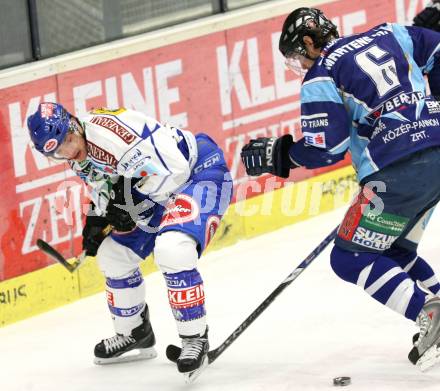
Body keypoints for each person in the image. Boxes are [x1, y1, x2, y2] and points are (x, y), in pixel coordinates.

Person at [241, 7, 440, 371]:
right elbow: (438, 49)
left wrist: (279, 154)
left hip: (395, 170)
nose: (299, 63)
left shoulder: (322, 73)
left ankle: (428, 313)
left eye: (297, 55)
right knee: (393, 249)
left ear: (307, 41)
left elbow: (325, 149)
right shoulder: (390, 33)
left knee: (350, 257)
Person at [27, 103, 232, 379]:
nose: (67, 151)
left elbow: (176, 170)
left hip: (199, 175)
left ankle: (195, 338)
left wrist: (131, 200)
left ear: (74, 123)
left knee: (172, 249)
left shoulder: (110, 136)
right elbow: (109, 188)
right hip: (157, 195)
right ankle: (135, 333)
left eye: (67, 140)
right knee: (112, 256)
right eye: (57, 151)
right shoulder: (79, 152)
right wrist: (98, 217)